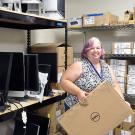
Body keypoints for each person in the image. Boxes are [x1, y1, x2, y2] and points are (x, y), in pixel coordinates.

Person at [60, 37, 126, 111]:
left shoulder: (106, 66)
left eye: (98, 48)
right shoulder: (79, 65)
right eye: (91, 48)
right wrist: (78, 92)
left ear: (101, 50)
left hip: (96, 110)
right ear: (86, 51)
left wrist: (122, 101)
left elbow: (115, 85)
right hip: (77, 109)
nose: (95, 51)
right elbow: (64, 81)